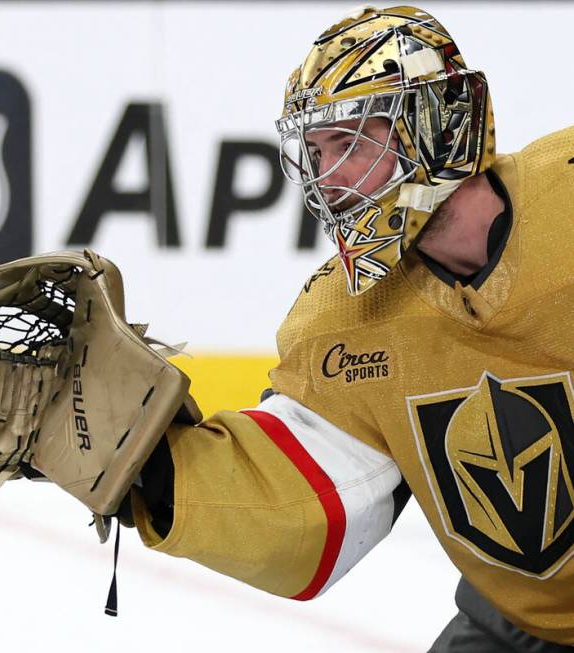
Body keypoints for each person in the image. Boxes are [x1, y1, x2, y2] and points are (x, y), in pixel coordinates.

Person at [127, 5, 574, 651]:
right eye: (314, 151)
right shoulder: (344, 318)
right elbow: (302, 498)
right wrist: (146, 469)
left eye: (352, 142)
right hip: (516, 623)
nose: (329, 179)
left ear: (441, 124)